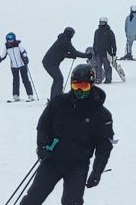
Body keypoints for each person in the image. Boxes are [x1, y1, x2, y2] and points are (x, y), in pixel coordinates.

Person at [18, 64, 113, 205]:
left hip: (78, 165)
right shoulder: (58, 103)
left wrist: (97, 171)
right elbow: (43, 126)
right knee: (33, 198)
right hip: (52, 160)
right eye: (76, 86)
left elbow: (104, 146)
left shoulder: (101, 114)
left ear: (91, 85)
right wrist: (42, 148)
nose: (80, 91)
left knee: (72, 202)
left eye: (84, 86)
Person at [42, 27, 91, 98]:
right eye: (72, 34)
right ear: (69, 34)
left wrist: (71, 55)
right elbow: (74, 52)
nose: (73, 36)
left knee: (57, 79)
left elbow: (62, 53)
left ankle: (54, 97)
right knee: (59, 79)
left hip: (50, 63)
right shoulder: (65, 41)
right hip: (50, 63)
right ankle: (56, 98)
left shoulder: (62, 39)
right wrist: (86, 55)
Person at [0, 32, 35, 102]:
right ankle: (15, 96)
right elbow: (3, 55)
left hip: (22, 64)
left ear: (14, 38)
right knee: (15, 81)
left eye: (11, 38)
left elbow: (23, 52)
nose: (10, 40)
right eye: (8, 39)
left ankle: (30, 95)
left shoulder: (18, 44)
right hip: (14, 66)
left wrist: (25, 58)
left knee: (25, 80)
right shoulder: (6, 46)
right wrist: (0, 59)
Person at [91, 18, 116, 84]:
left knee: (107, 66)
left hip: (106, 52)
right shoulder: (97, 31)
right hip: (98, 52)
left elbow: (113, 42)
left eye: (103, 22)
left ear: (106, 23)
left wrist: (114, 51)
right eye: (100, 22)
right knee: (98, 67)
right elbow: (95, 41)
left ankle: (108, 79)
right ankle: (98, 79)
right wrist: (94, 50)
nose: (101, 23)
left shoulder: (109, 32)